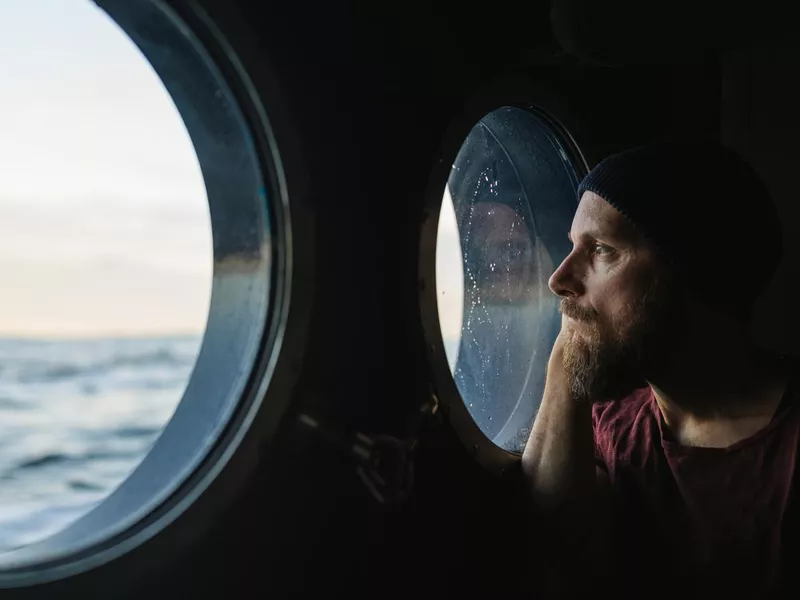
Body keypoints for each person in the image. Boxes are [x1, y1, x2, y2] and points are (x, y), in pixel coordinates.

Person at [521, 142, 797, 599]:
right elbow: (562, 542)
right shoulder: (612, 424)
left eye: (602, 249)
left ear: (691, 270)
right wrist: (571, 346)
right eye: (573, 247)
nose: (559, 278)